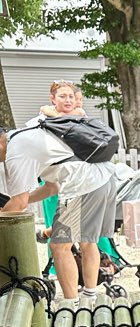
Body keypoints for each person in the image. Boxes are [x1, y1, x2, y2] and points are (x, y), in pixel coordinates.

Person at [0, 123, 117, 301]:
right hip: (103, 178)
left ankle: (73, 304)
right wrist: (12, 203)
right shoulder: (28, 135)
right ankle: (90, 298)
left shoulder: (15, 150)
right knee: (87, 241)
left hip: (82, 185)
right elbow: (51, 188)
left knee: (59, 246)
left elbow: (19, 202)